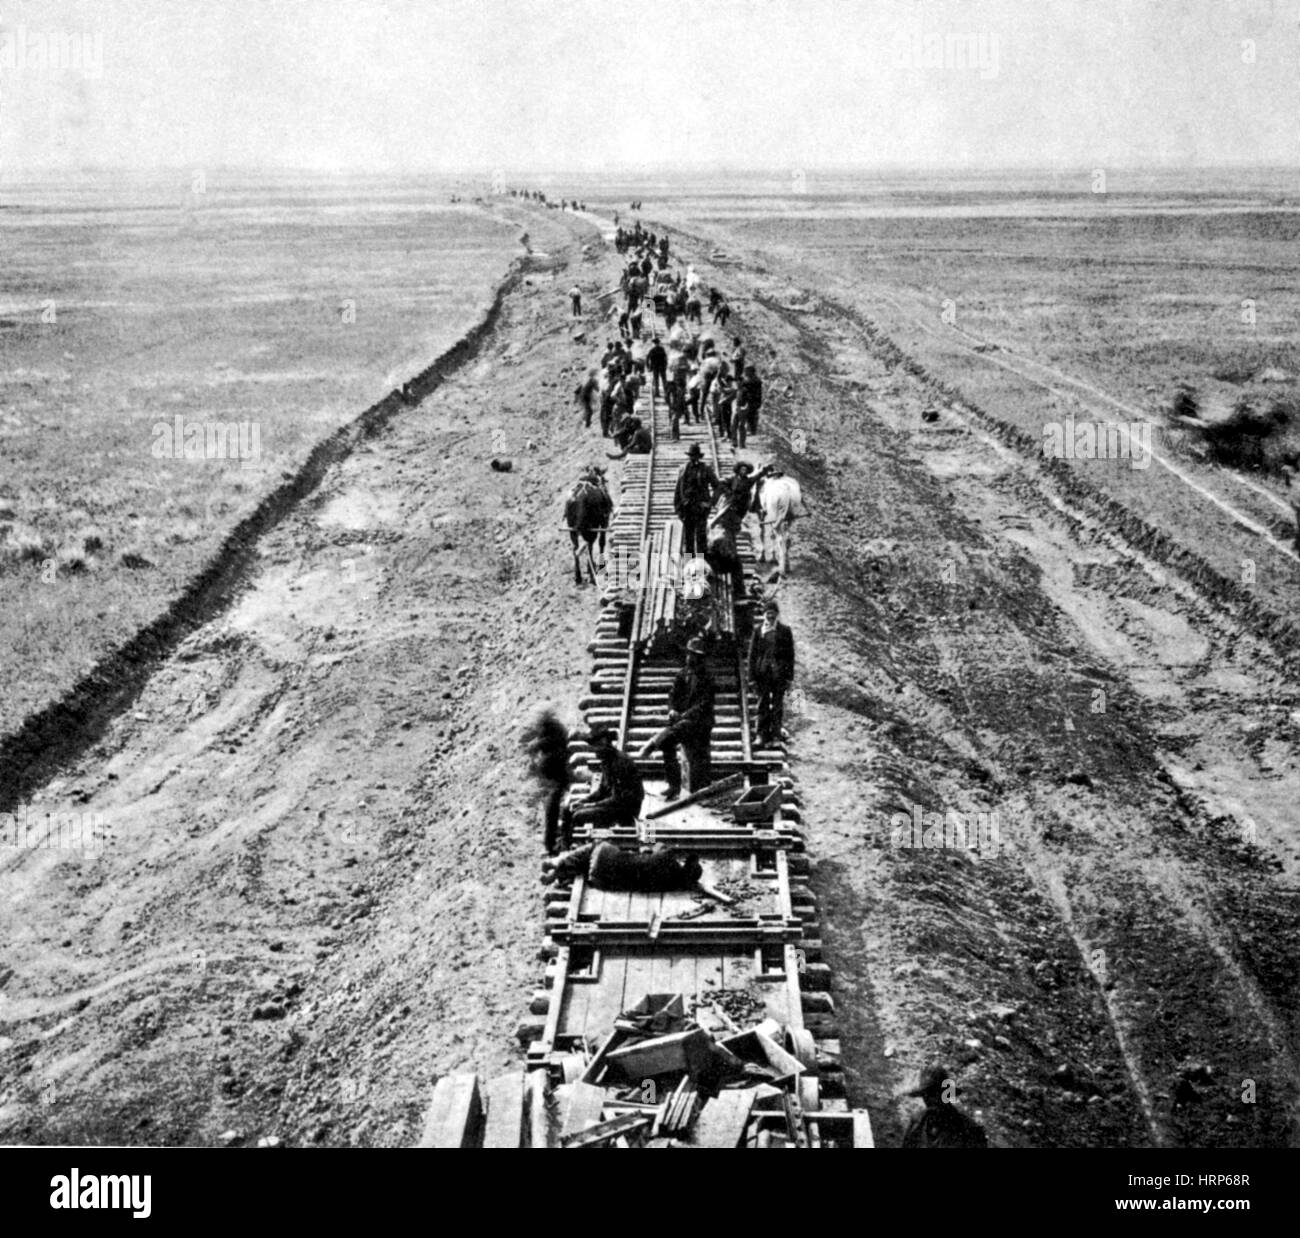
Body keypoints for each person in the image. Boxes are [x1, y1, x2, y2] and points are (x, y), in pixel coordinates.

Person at [637, 637, 715, 799]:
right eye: (688, 654)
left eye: (693, 655)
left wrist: (683, 715)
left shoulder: (707, 678)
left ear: (699, 658)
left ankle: (653, 743)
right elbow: (672, 695)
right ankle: (674, 786)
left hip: (700, 723)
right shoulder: (682, 674)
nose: (689, 658)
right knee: (667, 743)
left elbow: (704, 705)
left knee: (684, 731)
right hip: (682, 723)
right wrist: (672, 710)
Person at [542, 840, 733, 902]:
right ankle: (559, 874)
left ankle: (557, 866)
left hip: (605, 861)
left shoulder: (667, 857)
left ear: (684, 864)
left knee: (596, 846)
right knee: (594, 864)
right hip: (601, 881)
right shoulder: (670, 885)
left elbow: (653, 843)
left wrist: (648, 832)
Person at [557, 728, 645, 851]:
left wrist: (591, 805)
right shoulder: (607, 761)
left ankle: (576, 849)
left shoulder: (620, 763)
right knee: (568, 809)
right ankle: (564, 847)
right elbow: (602, 790)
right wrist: (584, 801)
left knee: (578, 816)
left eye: (596, 747)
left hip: (627, 808)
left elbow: (618, 798)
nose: (594, 751)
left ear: (605, 744)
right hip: (615, 803)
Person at [901, 1065, 989, 1148]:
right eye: (927, 1094)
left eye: (936, 1093)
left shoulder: (969, 1129)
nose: (931, 1100)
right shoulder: (917, 1124)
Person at [748, 599, 795, 747]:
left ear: (777, 615)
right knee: (762, 705)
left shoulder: (784, 631)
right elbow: (752, 655)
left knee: (777, 706)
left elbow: (790, 655)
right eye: (768, 613)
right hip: (763, 673)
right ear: (764, 615)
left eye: (773, 614)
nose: (770, 616)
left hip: (779, 674)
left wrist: (789, 677)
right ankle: (761, 736)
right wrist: (752, 678)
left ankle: (775, 736)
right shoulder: (758, 631)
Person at [674, 443, 719, 555]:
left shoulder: (705, 469)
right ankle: (689, 564)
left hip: (701, 508)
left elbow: (717, 487)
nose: (694, 458)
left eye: (696, 456)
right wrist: (678, 508)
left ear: (699, 457)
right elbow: (678, 490)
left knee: (701, 537)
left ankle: (701, 564)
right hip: (687, 507)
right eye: (692, 456)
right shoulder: (683, 469)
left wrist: (710, 503)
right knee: (688, 537)